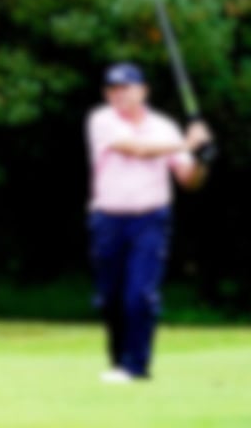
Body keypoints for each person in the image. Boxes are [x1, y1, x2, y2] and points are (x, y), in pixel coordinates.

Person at [86, 62, 212, 384]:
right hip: (108, 219)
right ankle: (119, 362)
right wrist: (188, 143)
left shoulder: (164, 127)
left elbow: (188, 180)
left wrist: (201, 159)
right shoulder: (101, 120)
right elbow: (137, 149)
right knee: (111, 298)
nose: (119, 95)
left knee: (139, 294)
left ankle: (136, 367)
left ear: (143, 91)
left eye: (126, 88)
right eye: (113, 90)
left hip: (150, 219)